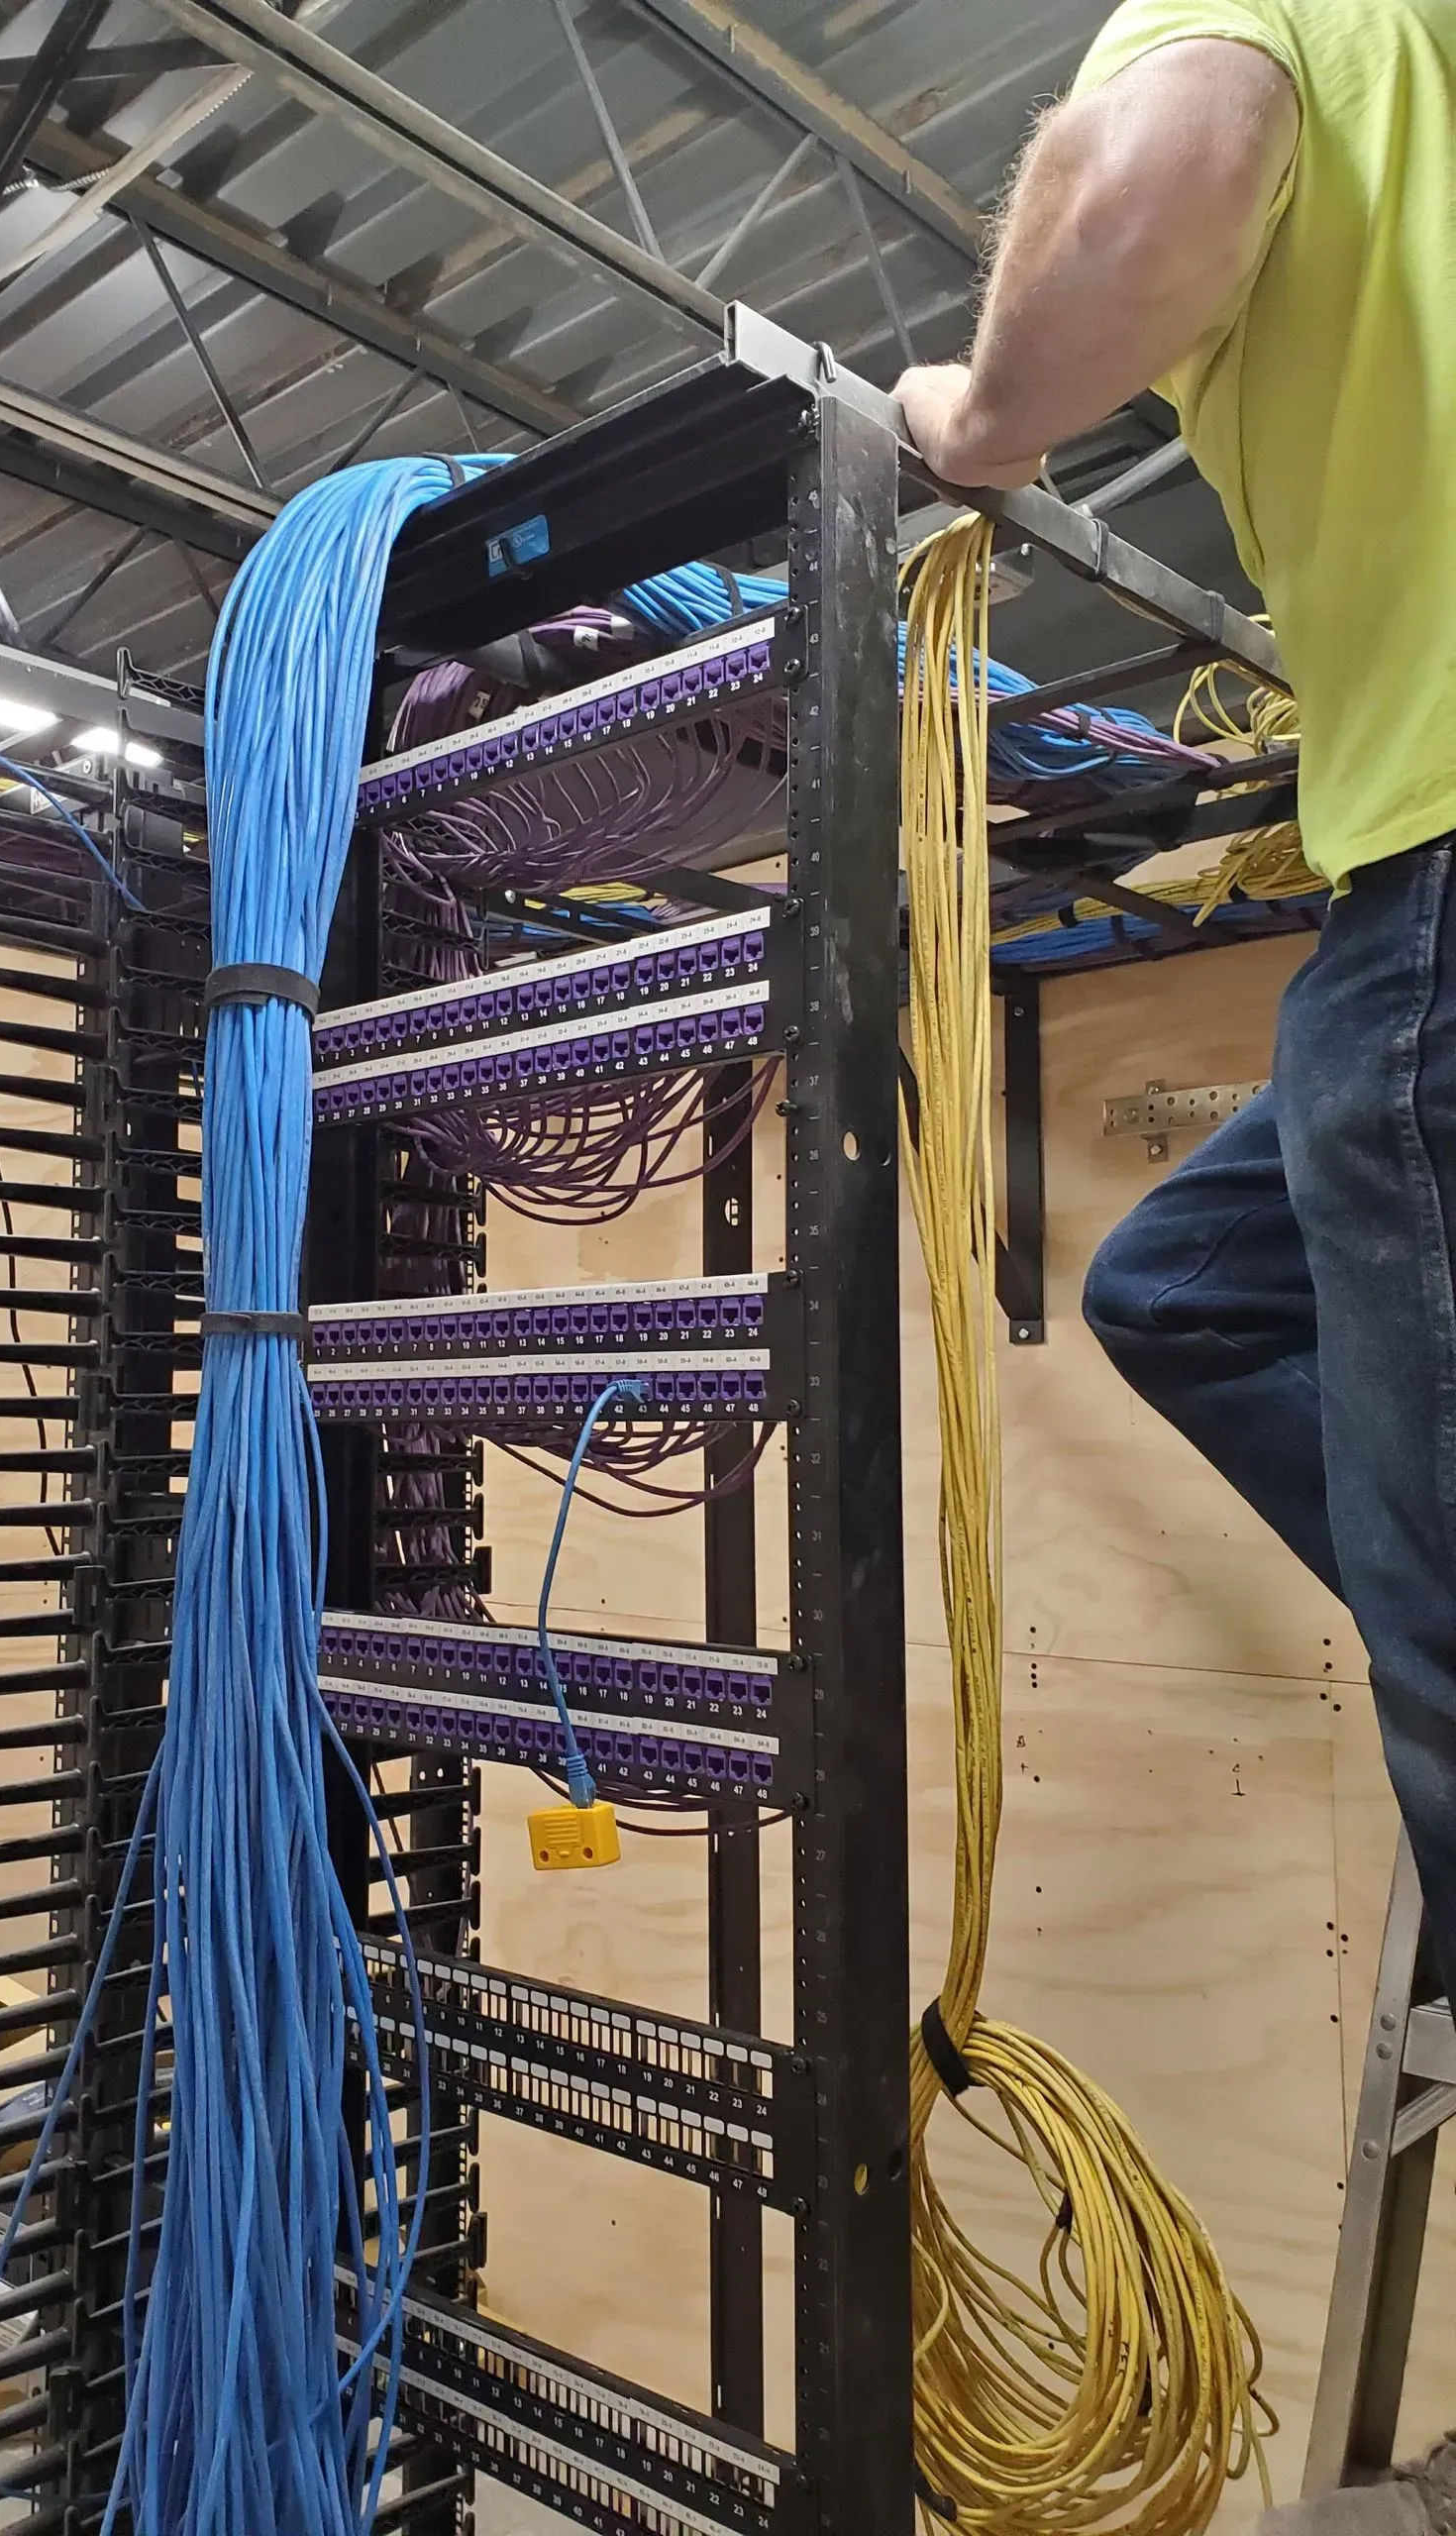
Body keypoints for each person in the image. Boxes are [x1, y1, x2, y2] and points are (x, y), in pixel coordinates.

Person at [897, 4, 1456, 2529]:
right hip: (1388, 911)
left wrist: (978, 421)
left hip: (1445, 884)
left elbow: (1166, 164)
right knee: (1184, 1280)